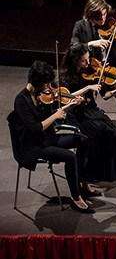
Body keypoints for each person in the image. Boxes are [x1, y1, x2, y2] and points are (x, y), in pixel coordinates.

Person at [9, 61, 95, 213]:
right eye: (46, 84)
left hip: (47, 138)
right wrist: (56, 115)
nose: (49, 88)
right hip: (33, 146)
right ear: (37, 82)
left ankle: (82, 182)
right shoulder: (21, 100)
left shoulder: (40, 95)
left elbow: (54, 113)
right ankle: (76, 198)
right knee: (70, 157)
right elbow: (35, 128)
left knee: (83, 140)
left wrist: (70, 105)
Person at [71, 0, 116, 144]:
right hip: (90, 70)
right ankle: (88, 129)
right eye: (99, 16)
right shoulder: (81, 26)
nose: (103, 18)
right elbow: (73, 48)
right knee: (87, 102)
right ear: (91, 14)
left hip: (110, 68)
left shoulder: (112, 27)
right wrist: (91, 44)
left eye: (104, 14)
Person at [60, 43, 116, 183]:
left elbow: (105, 95)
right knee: (101, 133)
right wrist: (87, 88)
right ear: (75, 61)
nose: (87, 63)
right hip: (78, 115)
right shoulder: (65, 77)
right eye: (83, 61)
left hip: (92, 111)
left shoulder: (90, 70)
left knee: (115, 133)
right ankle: (97, 173)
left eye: (88, 59)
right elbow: (65, 97)